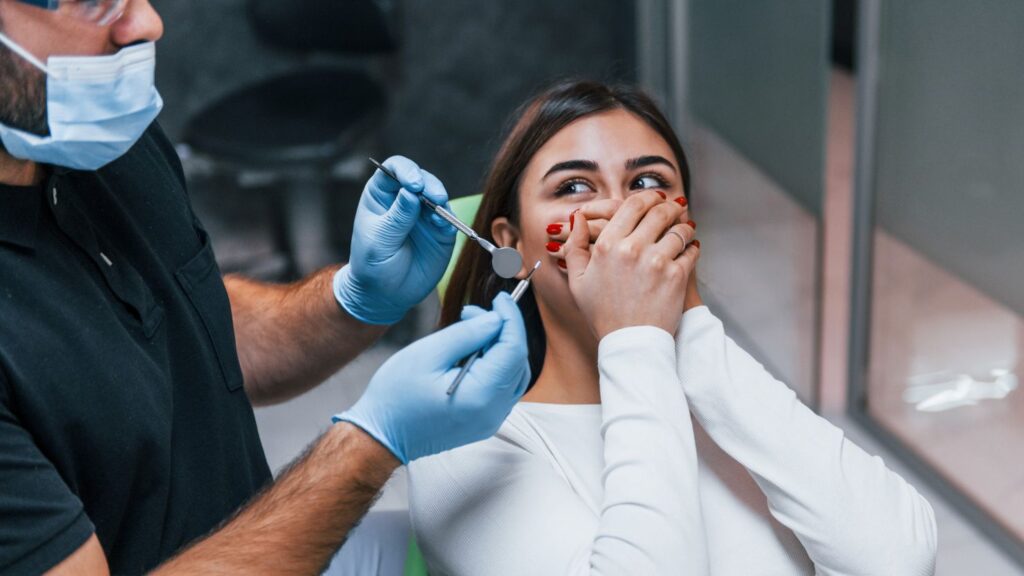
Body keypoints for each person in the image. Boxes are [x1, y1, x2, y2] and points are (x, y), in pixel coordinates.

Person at [0, 1, 530, 573]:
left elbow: (187, 324)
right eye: (93, 2)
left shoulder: (86, 138)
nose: (146, 24)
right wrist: (372, 443)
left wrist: (356, 299)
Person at [407, 80, 939, 575]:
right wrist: (633, 337)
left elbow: (897, 560)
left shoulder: (728, 400)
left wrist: (691, 325)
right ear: (512, 244)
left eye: (647, 182)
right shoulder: (464, 445)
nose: (620, 213)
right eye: (574, 186)